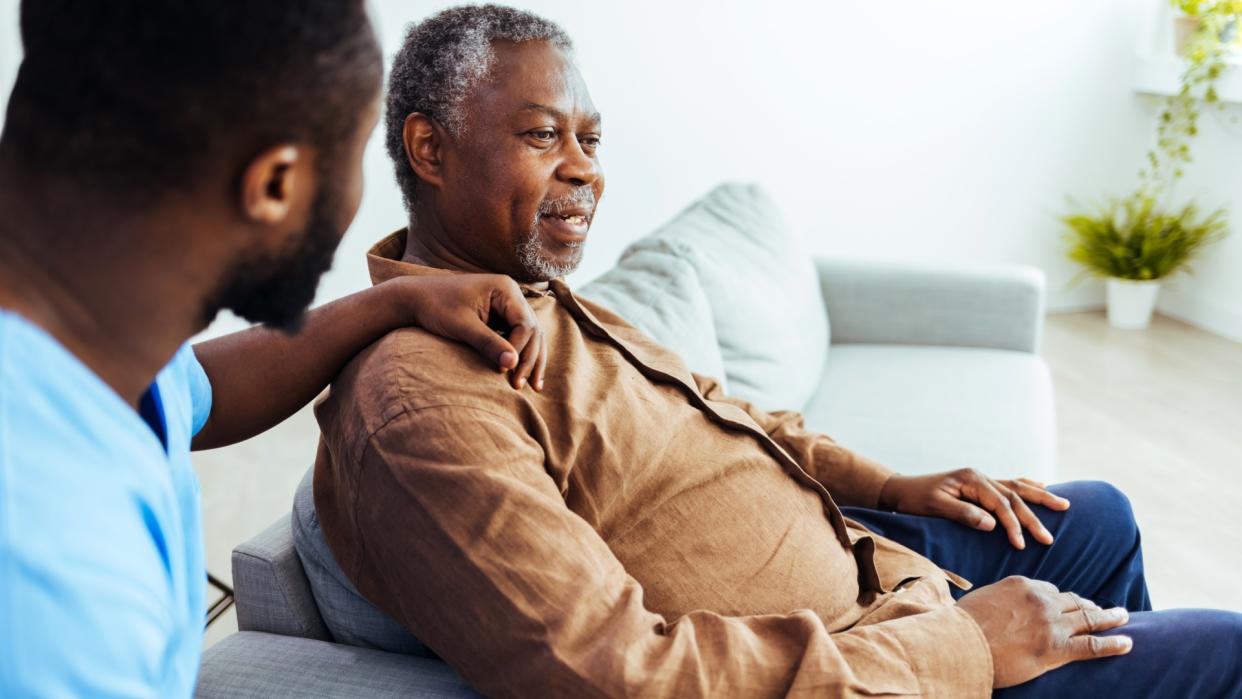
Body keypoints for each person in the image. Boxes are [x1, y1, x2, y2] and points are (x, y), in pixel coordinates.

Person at [302, 5, 1242, 698]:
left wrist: (892, 482)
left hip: (869, 563)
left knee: (1100, 516)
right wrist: (965, 648)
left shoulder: (529, 301)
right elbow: (609, 673)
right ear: (430, 148)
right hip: (851, 660)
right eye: (544, 135)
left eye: (590, 138)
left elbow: (726, 408)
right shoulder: (420, 408)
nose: (585, 167)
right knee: (1223, 648)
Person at [0, 2, 550, 696]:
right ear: (276, 185)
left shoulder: (86, 328)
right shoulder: (52, 575)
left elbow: (198, 391)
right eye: (354, 156)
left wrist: (398, 299)